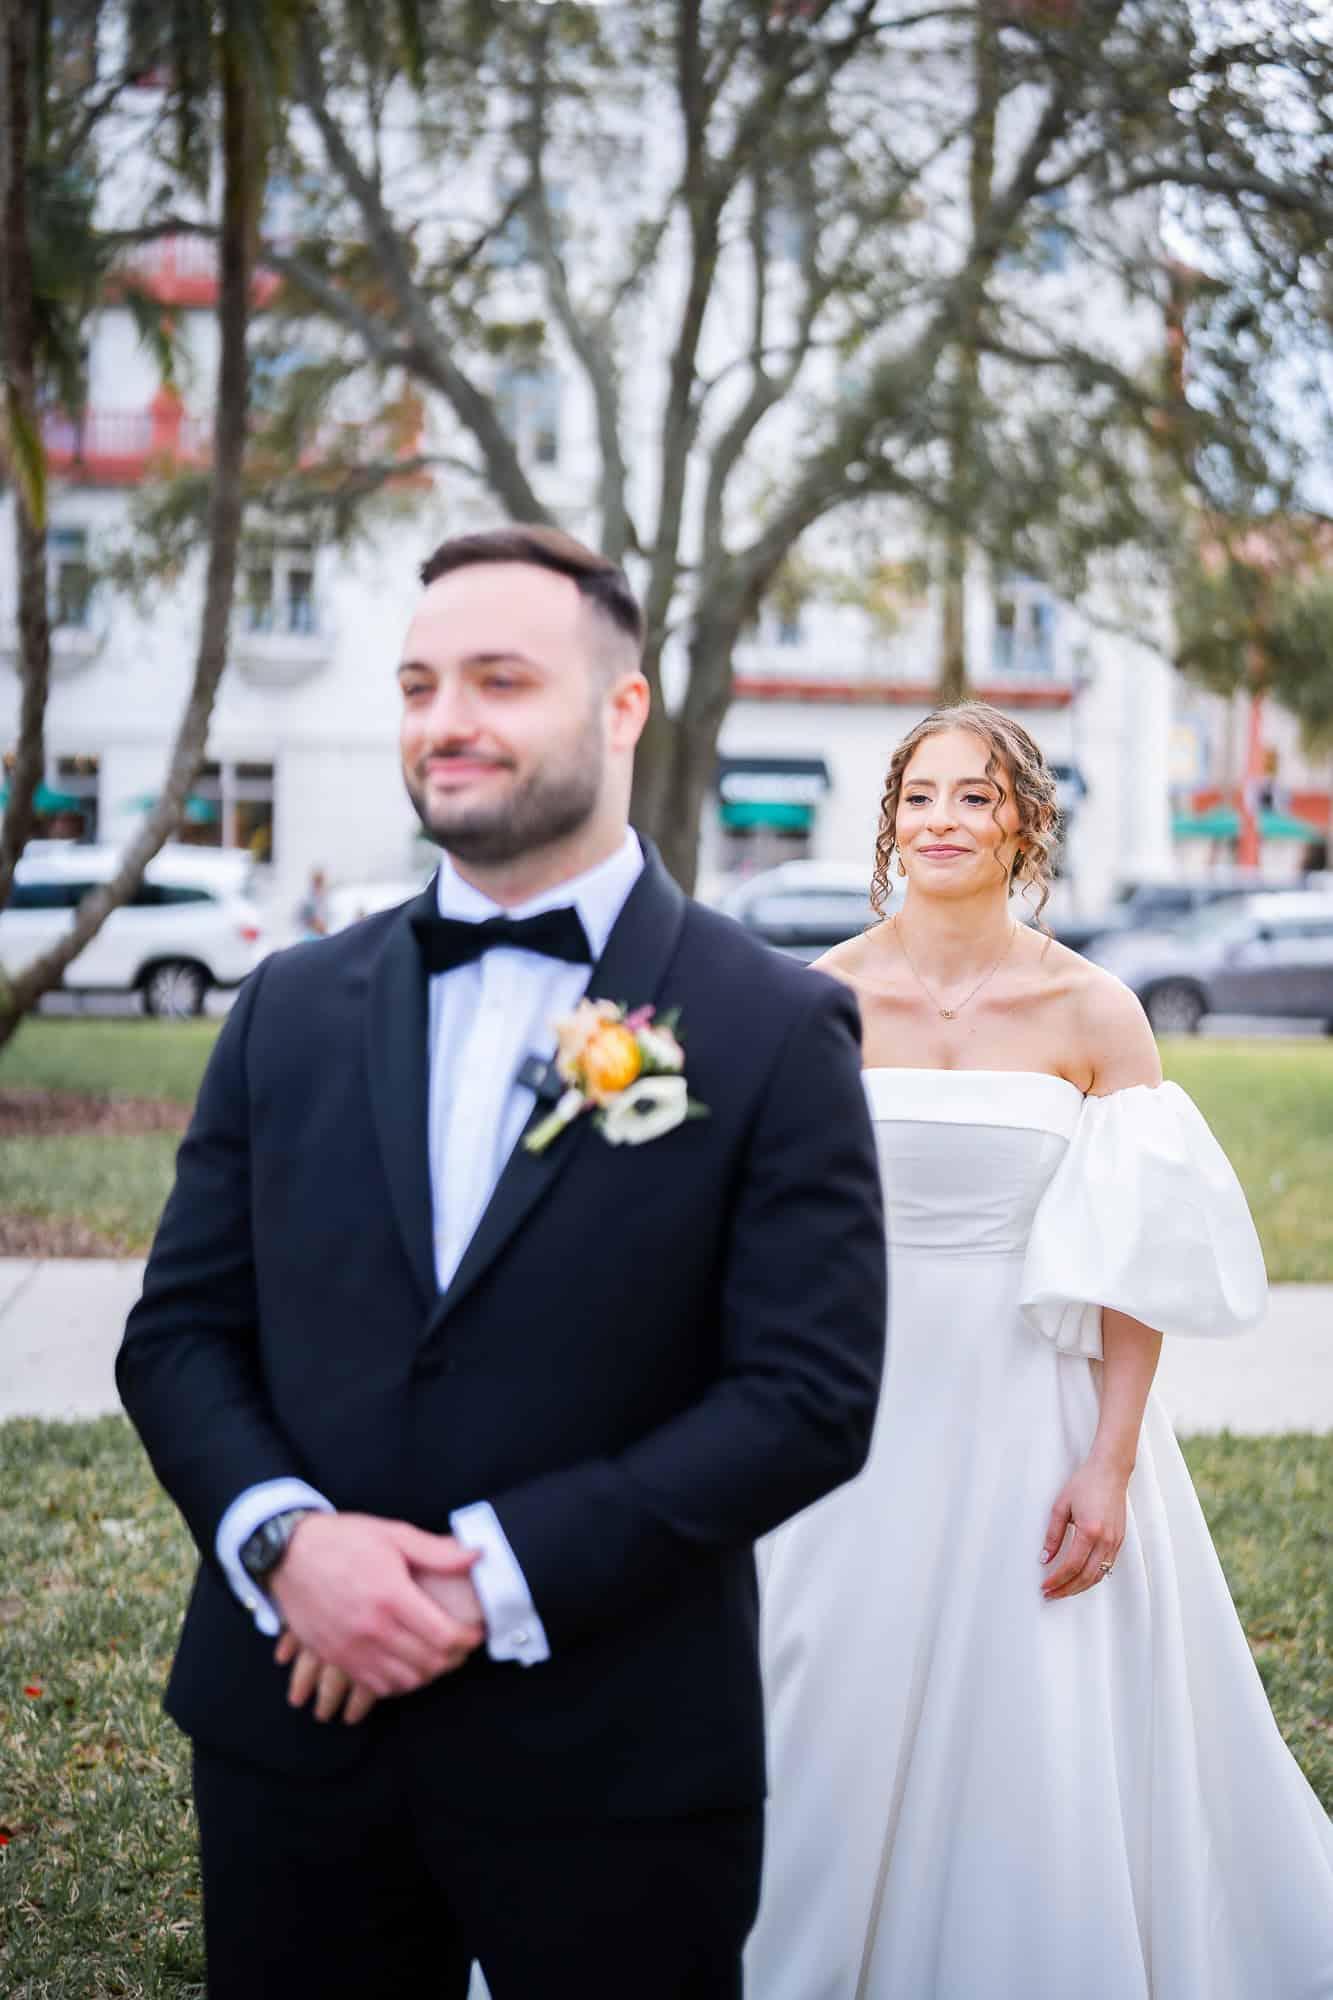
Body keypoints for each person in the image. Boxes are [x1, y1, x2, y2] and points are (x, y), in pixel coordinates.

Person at [115, 525, 888, 2000]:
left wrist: (491, 1578)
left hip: (614, 1752)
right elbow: (178, 1336)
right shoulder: (288, 1005)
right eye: (417, 686)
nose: (445, 721)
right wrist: (289, 1543)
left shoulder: (771, 1024)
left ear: (622, 705)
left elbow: (807, 1395)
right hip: (295, 1733)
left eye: (499, 680)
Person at [746, 701, 1333, 2000]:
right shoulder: (816, 1000)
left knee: (1038, 1714)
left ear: (1023, 823)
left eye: (975, 795)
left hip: (1038, 1413)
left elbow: (1137, 1261)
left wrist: (1108, 1462)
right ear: (889, 826)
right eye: (919, 797)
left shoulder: (1095, 1010)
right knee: (822, 1692)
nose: (943, 820)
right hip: (853, 1406)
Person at [293, 865, 329, 938]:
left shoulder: (325, 898)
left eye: (321, 881)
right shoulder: (307, 900)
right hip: (309, 935)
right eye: (317, 881)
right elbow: (300, 920)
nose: (320, 884)